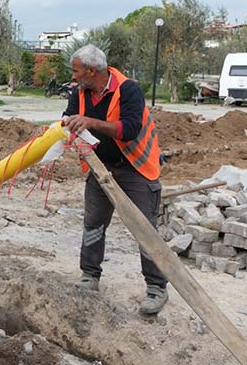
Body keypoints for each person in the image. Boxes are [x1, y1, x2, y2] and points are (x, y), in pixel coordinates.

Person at [61, 44, 168, 315]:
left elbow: (129, 129)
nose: (72, 77)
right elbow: (70, 118)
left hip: (135, 168)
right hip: (100, 167)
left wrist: (91, 123)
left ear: (91, 70)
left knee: (145, 228)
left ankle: (156, 288)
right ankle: (89, 276)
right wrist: (63, 126)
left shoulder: (127, 89)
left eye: (76, 71)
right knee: (93, 224)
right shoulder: (79, 93)